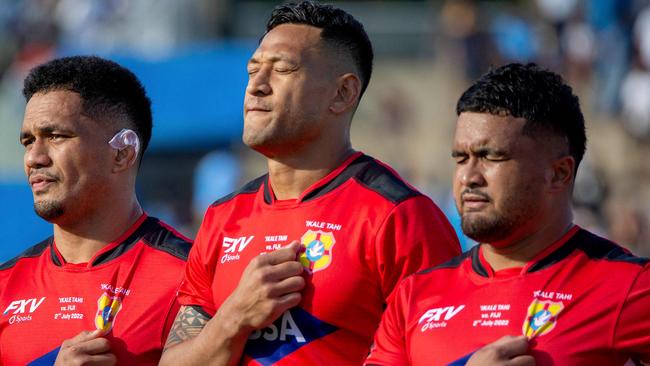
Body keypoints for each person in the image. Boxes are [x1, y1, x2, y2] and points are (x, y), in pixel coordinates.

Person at [159, 1, 460, 365]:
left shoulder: (400, 218)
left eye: (283, 69)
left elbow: (443, 355)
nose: (256, 86)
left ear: (343, 93)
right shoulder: (224, 217)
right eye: (253, 70)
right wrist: (235, 317)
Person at [365, 63, 650, 366]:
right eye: (461, 159)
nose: (469, 177)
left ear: (558, 173)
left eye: (492, 157)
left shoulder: (629, 286)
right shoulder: (415, 296)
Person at [0, 56, 192, 365]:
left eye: (56, 136)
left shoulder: (191, 276)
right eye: (28, 141)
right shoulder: (5, 285)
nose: (34, 157)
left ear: (122, 153)